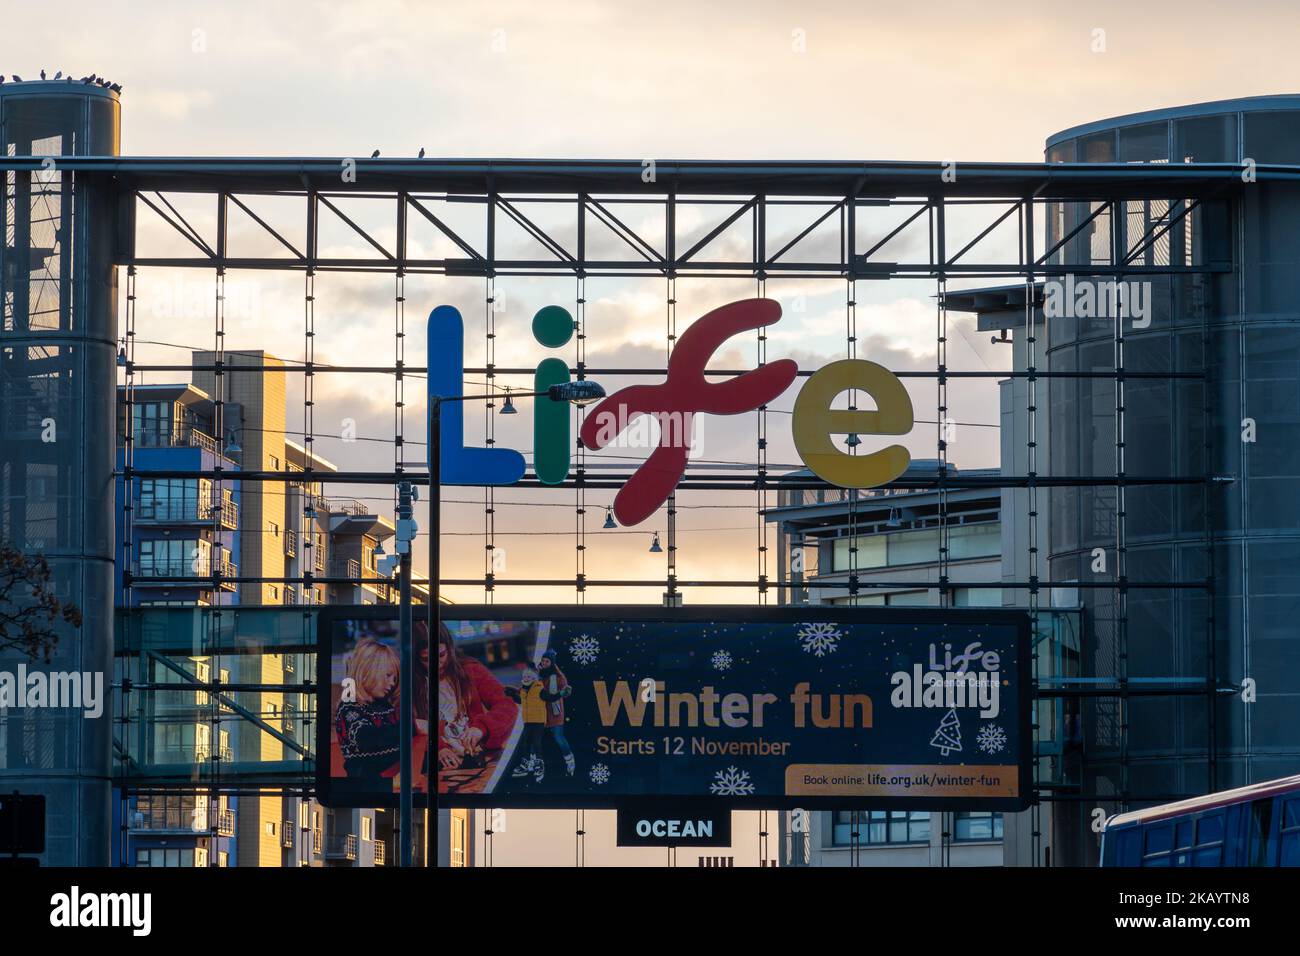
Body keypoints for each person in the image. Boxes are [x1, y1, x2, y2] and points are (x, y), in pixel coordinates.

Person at [436, 621, 517, 777]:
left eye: (441, 655)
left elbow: (507, 706)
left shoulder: (470, 670)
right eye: (426, 659)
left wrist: (481, 728)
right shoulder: (410, 681)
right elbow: (407, 726)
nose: (436, 664)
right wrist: (437, 748)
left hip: (476, 760)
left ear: (450, 649)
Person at [335, 638, 401, 785]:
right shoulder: (348, 709)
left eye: (395, 678)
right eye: (388, 675)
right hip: (366, 786)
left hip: (393, 778)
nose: (392, 683)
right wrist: (411, 727)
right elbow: (369, 738)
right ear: (368, 670)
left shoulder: (385, 707)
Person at [537, 647, 576, 776]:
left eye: (547, 661)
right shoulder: (539, 674)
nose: (544, 663)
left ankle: (570, 761)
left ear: (552, 663)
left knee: (558, 737)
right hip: (541, 712)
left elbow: (564, 689)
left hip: (555, 712)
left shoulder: (557, 676)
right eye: (543, 660)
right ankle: (540, 766)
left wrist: (565, 692)